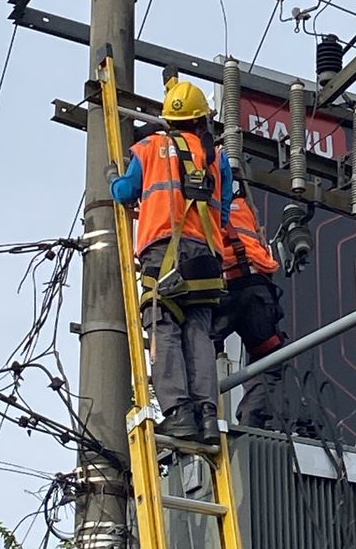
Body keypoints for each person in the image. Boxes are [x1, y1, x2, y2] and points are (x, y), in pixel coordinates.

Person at [108, 73, 233, 445]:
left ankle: (178, 412)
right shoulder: (217, 158)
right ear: (201, 119)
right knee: (198, 333)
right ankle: (208, 415)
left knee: (164, 329)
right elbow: (224, 212)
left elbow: (125, 192)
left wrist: (113, 176)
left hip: (162, 253)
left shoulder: (148, 149)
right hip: (206, 258)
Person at [215, 179, 287, 430]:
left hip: (224, 289)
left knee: (197, 348)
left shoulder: (206, 204)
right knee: (267, 358)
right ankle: (252, 421)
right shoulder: (246, 209)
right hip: (257, 290)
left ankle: (199, 414)